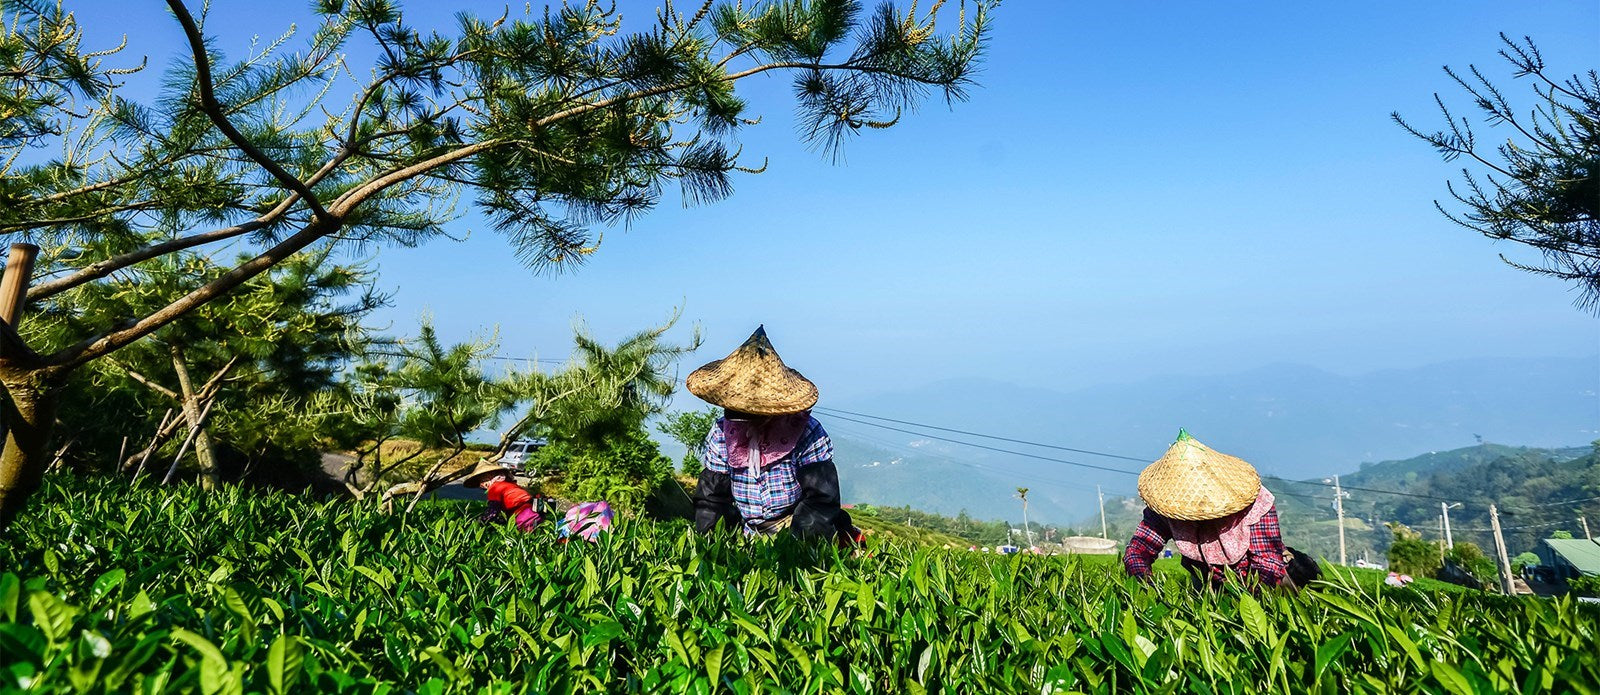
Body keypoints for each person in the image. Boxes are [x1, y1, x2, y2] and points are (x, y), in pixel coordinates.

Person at [686, 326, 863, 545]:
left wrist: (795, 549)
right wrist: (715, 546)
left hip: (797, 527)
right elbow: (712, 500)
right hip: (750, 533)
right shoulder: (722, 434)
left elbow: (820, 500)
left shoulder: (807, 432)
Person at [1124, 430, 1288, 589]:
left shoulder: (1256, 503)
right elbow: (1137, 552)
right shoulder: (1165, 505)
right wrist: (1147, 588)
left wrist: (1249, 604)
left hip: (1257, 581)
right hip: (1206, 580)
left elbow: (1268, 563)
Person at [462, 460, 547, 532]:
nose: (482, 484)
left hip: (524, 514)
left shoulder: (495, 488)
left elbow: (493, 510)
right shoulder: (509, 485)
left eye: (484, 480)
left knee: (522, 540)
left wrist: (481, 523)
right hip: (534, 511)